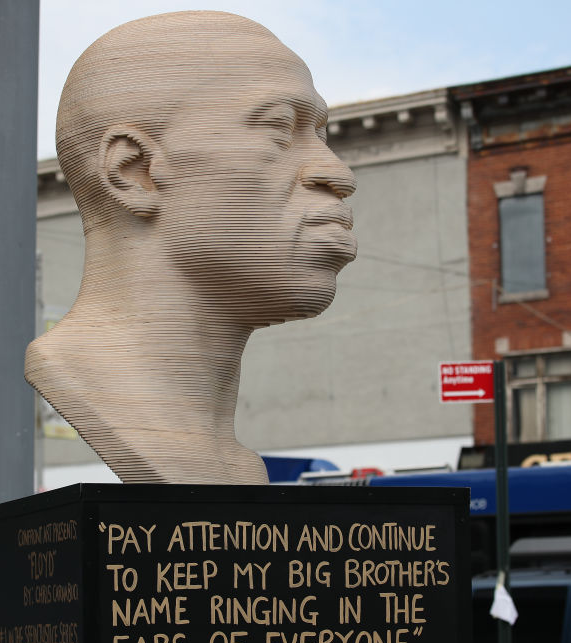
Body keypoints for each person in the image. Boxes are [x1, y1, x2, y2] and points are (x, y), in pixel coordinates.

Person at [25, 11, 356, 484]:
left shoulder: (236, 466)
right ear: (134, 171)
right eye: (280, 128)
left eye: (319, 135)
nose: (339, 174)